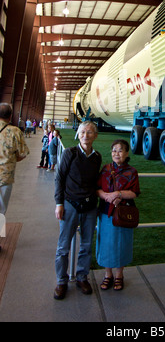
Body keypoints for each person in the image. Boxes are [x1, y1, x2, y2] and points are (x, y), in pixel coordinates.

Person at [54, 121, 102, 300]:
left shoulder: (97, 157)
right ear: (78, 134)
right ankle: (61, 280)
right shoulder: (70, 153)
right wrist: (59, 203)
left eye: (90, 132)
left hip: (89, 207)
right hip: (70, 205)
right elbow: (59, 179)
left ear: (95, 136)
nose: (86, 135)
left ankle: (82, 277)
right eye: (82, 132)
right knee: (63, 246)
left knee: (87, 245)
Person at [96, 139, 140, 291]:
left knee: (122, 243)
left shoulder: (132, 172)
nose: (116, 153)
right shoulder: (106, 169)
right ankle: (108, 275)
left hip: (122, 213)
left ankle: (119, 275)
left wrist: (118, 194)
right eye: (114, 150)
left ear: (127, 153)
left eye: (120, 150)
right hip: (105, 211)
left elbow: (134, 193)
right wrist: (107, 196)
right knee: (106, 243)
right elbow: (97, 189)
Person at [0, 103, 30, 252]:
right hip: (5, 176)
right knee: (0, 209)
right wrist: (11, 159)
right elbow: (23, 153)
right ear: (11, 115)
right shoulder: (15, 131)